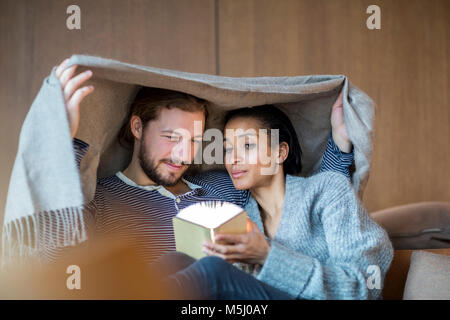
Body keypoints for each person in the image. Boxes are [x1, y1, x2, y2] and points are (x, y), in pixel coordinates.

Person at [38, 58, 354, 264]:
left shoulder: (224, 186)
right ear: (138, 127)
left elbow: (305, 210)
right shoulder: (101, 199)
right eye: (172, 137)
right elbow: (51, 257)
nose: (183, 155)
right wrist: (63, 145)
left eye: (193, 141)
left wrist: (340, 146)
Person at [154, 105, 394, 300]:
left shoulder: (327, 191)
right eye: (227, 149)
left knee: (212, 272)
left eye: (247, 146)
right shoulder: (242, 219)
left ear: (280, 153)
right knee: (175, 261)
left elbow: (363, 289)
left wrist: (268, 256)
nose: (233, 159)